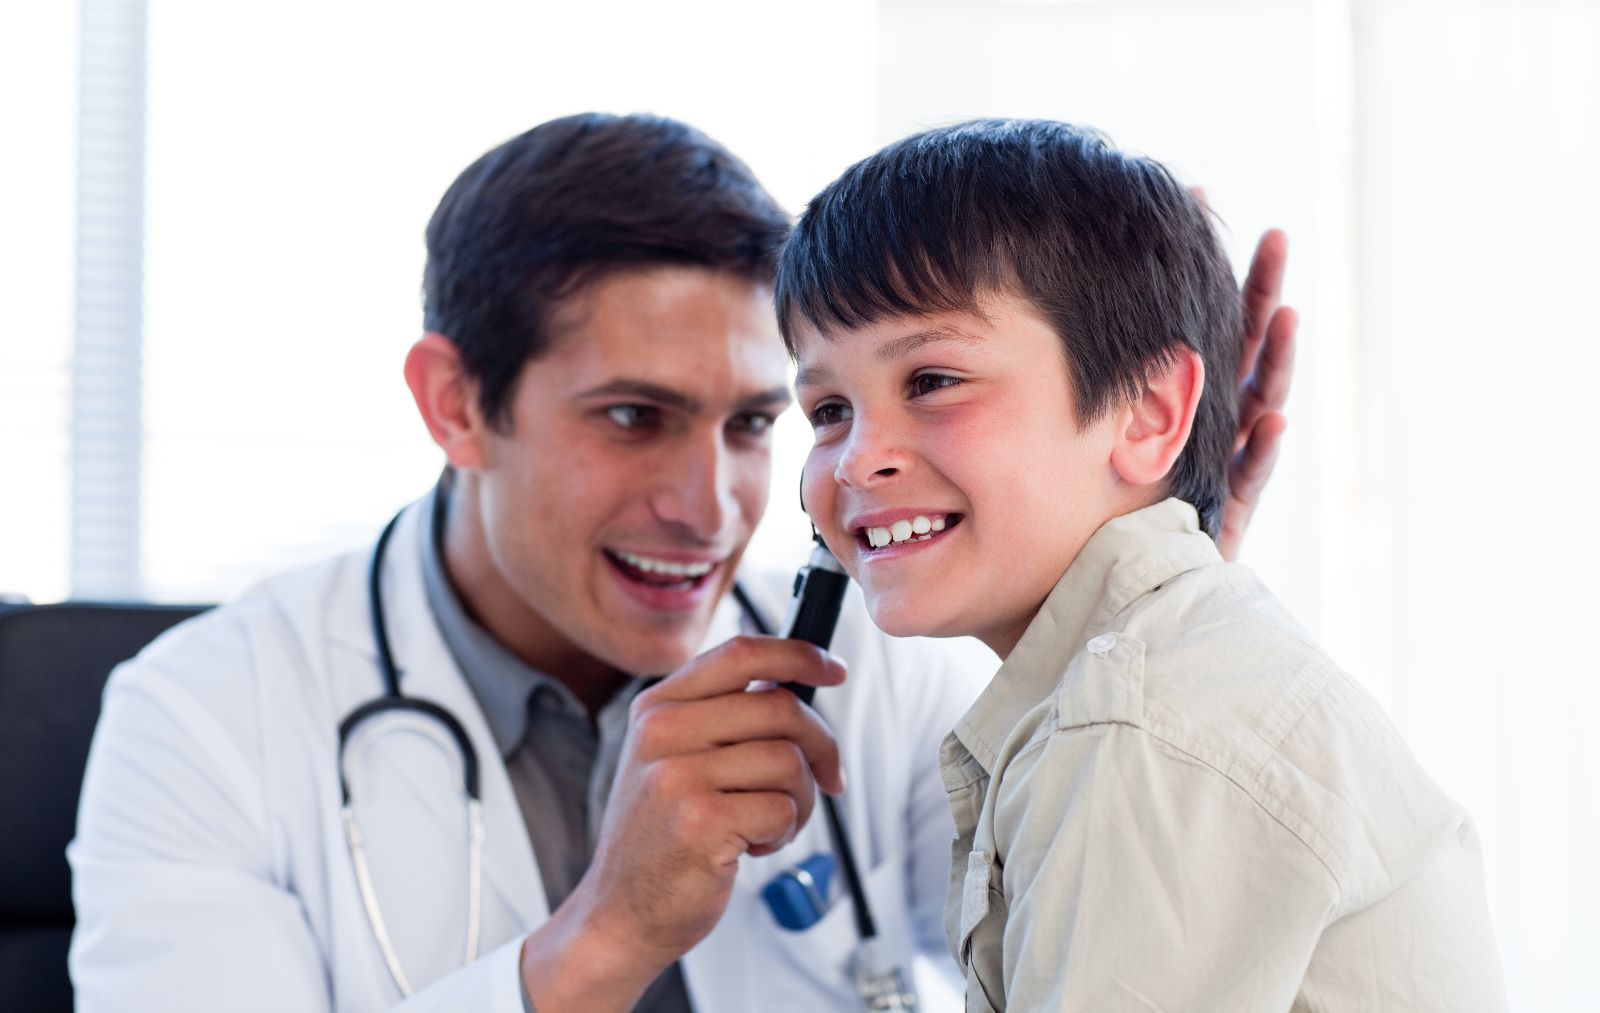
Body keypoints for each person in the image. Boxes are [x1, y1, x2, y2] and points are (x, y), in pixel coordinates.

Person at [68, 114, 1296, 1013]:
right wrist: (608, 935)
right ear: (455, 405)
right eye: (632, 417)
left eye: (757, 422)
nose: (709, 505)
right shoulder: (204, 717)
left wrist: (1127, 600)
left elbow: (1088, 935)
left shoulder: (865, 650)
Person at [779, 118, 1506, 1011]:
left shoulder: (1134, 729)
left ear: (1150, 412)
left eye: (931, 381)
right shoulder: (1144, 684)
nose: (855, 459)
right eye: (825, 410)